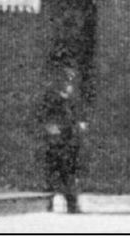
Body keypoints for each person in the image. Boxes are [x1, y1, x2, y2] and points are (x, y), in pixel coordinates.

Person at [38, 68, 87, 214]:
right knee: (53, 172)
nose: (68, 84)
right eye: (66, 81)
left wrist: (80, 124)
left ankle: (72, 204)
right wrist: (49, 127)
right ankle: (48, 203)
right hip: (56, 140)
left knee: (69, 173)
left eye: (70, 81)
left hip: (69, 140)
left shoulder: (72, 100)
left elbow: (78, 117)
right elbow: (43, 117)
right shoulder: (52, 98)